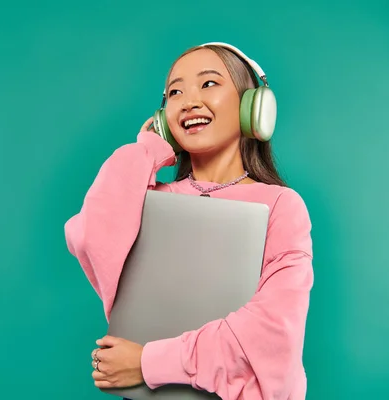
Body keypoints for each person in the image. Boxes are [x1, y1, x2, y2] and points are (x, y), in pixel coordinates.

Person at [64, 42, 314, 400]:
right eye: (174, 92)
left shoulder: (280, 205)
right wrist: (148, 149)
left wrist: (148, 362)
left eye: (208, 84)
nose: (188, 100)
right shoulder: (149, 198)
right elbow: (90, 238)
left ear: (252, 107)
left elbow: (272, 331)